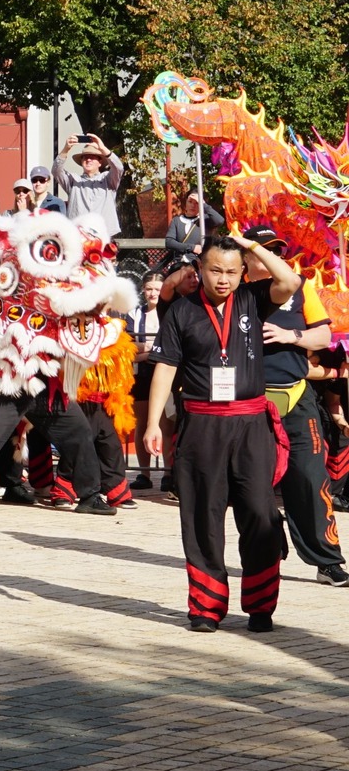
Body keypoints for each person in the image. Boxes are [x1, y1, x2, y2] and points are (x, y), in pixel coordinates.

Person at [145, 231, 301, 632]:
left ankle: (261, 605)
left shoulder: (252, 298)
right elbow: (165, 368)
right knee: (202, 514)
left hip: (251, 425)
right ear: (201, 268)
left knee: (261, 512)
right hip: (201, 425)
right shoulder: (182, 312)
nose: (224, 279)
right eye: (216, 270)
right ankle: (206, 607)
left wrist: (252, 247)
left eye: (232, 272)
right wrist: (152, 424)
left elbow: (290, 282)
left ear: (242, 272)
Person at [243, 227, 348, 587]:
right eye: (263, 251)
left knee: (310, 479)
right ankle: (271, 545)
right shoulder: (236, 294)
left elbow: (324, 335)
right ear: (246, 259)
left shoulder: (300, 287)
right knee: (256, 484)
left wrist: (293, 336)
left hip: (297, 398)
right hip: (251, 401)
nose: (272, 257)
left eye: (276, 250)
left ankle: (327, 561)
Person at [130, 271, 165, 488]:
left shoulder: (170, 312)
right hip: (141, 374)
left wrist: (146, 350)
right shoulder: (135, 314)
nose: (153, 293)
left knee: (165, 424)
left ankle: (168, 473)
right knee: (142, 423)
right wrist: (149, 351)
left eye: (157, 289)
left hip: (164, 373)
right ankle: (144, 474)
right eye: (149, 289)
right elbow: (129, 347)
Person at [55, 134, 124, 239]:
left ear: (100, 162)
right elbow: (56, 171)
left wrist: (102, 148)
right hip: (78, 237)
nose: (88, 160)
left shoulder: (107, 179)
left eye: (92, 157)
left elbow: (118, 168)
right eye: (85, 157)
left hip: (104, 236)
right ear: (81, 161)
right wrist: (66, 149)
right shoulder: (73, 180)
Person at [165, 190, 222, 263]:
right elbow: (169, 242)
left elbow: (220, 220)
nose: (193, 205)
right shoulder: (176, 221)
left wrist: (204, 204)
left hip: (199, 264)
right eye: (190, 201)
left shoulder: (205, 220)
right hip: (179, 264)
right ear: (186, 202)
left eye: (197, 203)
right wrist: (192, 247)